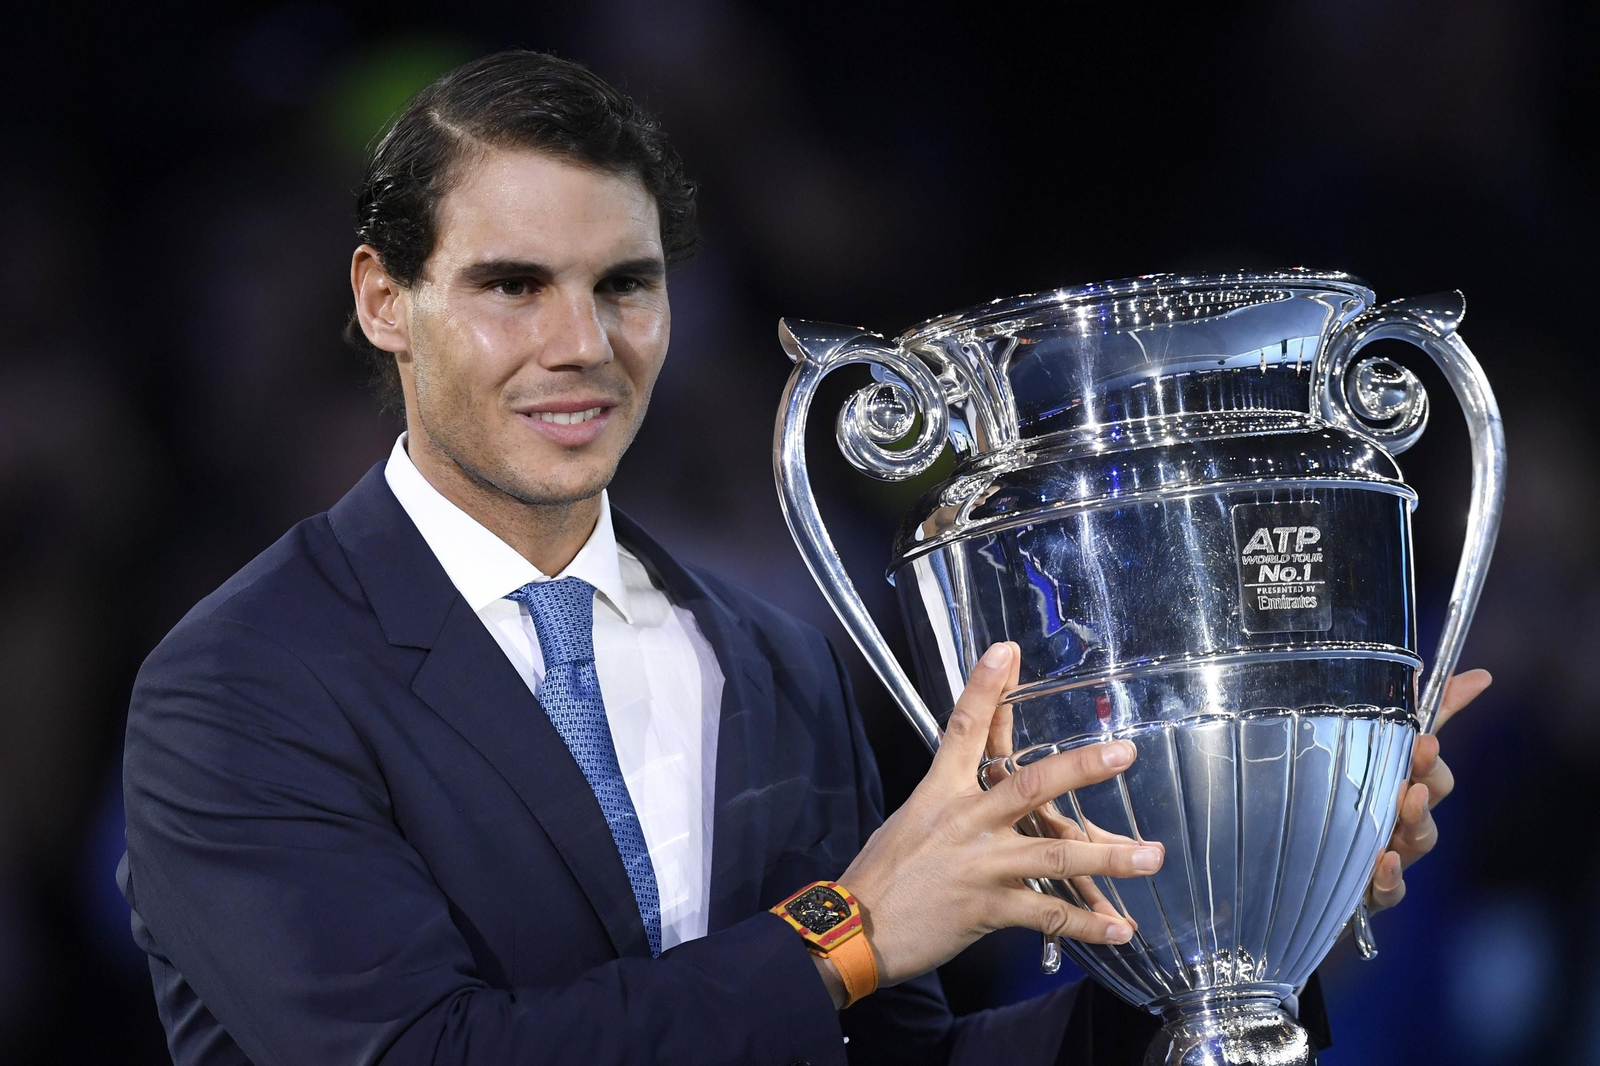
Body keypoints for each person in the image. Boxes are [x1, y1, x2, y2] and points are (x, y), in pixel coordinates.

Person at [118, 50, 1488, 1066]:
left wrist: (1248, 935)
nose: (580, 343)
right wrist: (847, 929)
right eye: (511, 285)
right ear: (382, 301)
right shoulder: (239, 686)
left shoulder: (760, 652)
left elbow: (874, 1054)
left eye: (624, 284)